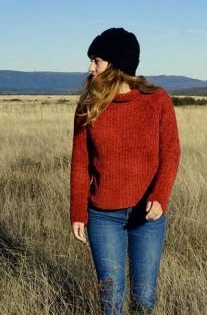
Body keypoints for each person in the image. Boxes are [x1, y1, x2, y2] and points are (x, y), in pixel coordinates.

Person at [69, 27, 181, 314]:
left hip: (147, 216)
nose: (90, 67)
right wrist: (78, 212)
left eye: (97, 60)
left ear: (116, 65)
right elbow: (80, 163)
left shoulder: (157, 101)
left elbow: (171, 153)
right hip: (103, 217)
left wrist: (160, 196)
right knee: (111, 298)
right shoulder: (88, 106)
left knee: (144, 298)